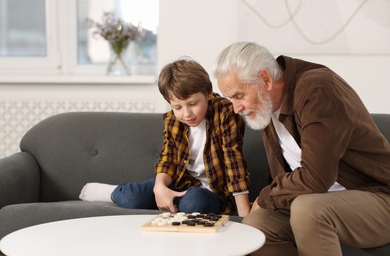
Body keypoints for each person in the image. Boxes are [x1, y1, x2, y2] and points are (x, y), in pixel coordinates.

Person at [213, 42, 390, 255]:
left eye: (239, 96)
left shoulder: (317, 89)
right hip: (317, 201)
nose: (235, 108)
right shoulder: (265, 107)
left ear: (266, 80)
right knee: (256, 225)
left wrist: (266, 196)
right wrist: (268, 202)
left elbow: (316, 178)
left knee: (308, 209)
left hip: (378, 197)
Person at [79, 58, 251, 217]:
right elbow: (167, 160)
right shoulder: (172, 120)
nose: (186, 113)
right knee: (134, 197)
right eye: (177, 106)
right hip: (180, 182)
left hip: (212, 193)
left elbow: (233, 161)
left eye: (193, 104)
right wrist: (160, 187)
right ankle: (116, 192)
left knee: (196, 203)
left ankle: (174, 204)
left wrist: (244, 216)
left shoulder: (226, 113)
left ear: (209, 94)